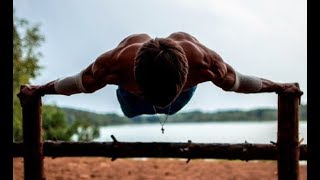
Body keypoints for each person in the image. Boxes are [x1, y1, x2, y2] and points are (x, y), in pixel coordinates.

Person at [18, 32, 303, 119]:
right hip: (130, 99)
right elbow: (75, 84)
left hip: (179, 96)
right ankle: (142, 97)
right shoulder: (112, 65)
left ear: (188, 75)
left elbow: (239, 82)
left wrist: (280, 87)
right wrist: (40, 90)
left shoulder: (205, 62)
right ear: (134, 77)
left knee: (170, 103)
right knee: (130, 111)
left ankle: (168, 95)